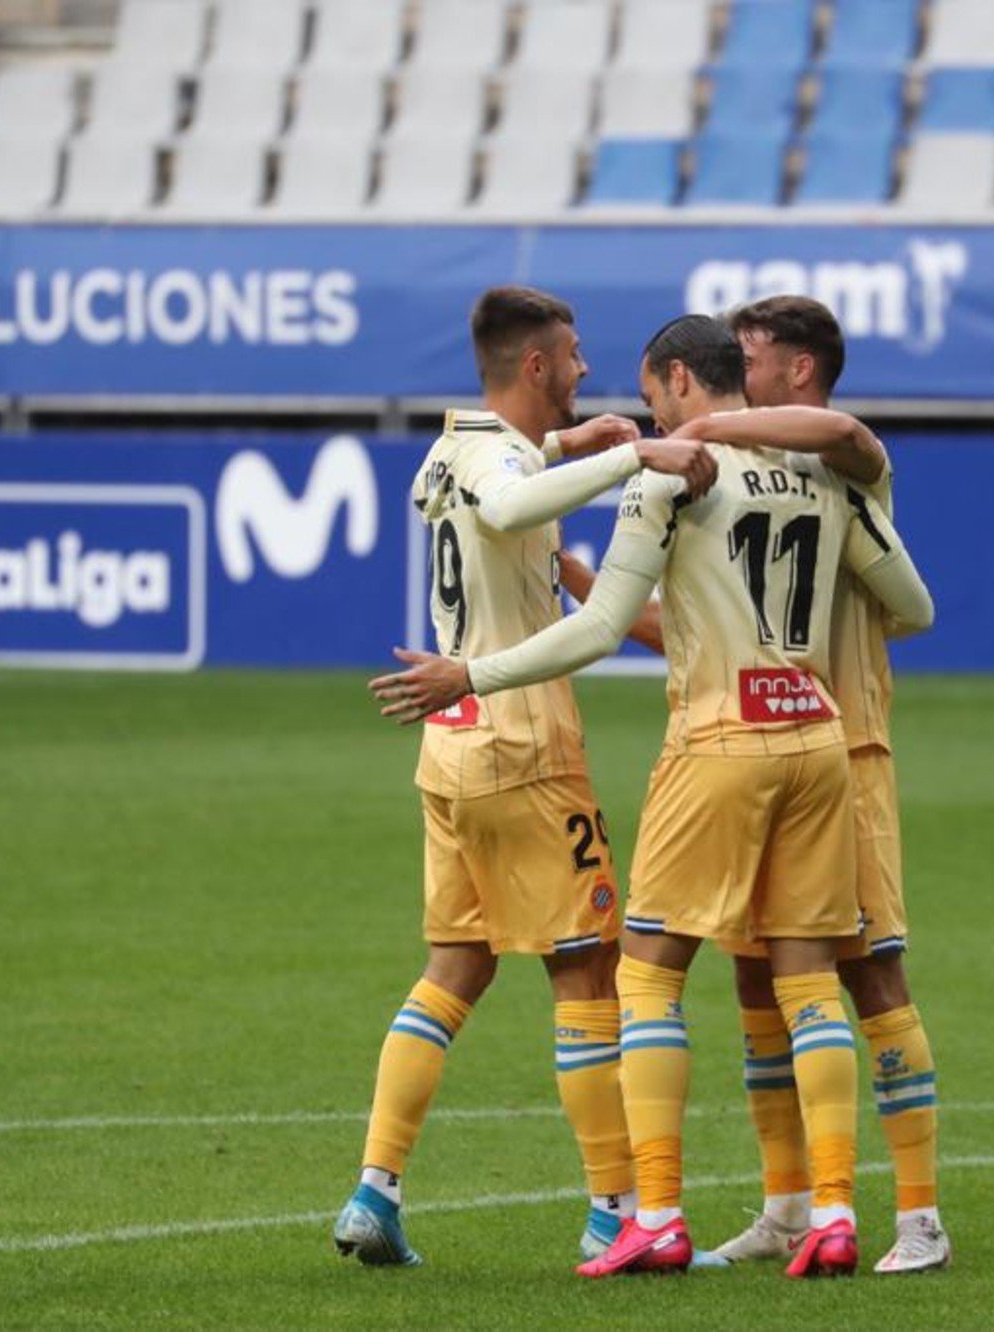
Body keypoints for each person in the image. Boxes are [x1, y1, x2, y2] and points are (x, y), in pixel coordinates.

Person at [375, 314, 935, 1280]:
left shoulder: (672, 474)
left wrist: (470, 675)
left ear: (678, 382)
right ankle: (836, 1211)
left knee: (644, 972)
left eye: (647, 395)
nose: (639, 413)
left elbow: (592, 634)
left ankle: (658, 1214)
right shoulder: (822, 472)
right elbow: (914, 605)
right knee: (806, 980)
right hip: (817, 739)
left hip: (717, 743)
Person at [333, 286, 717, 1270]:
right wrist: (632, 453)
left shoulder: (448, 445)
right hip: (523, 749)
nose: (586, 369)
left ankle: (374, 1188)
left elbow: (497, 481)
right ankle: (613, 1209)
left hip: (450, 751)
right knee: (587, 969)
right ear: (536, 365)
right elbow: (505, 501)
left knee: (454, 966)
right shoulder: (500, 466)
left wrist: (569, 448)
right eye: (574, 356)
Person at [582, 294, 949, 1273]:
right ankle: (790, 1205)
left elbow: (848, 449)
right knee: (760, 977)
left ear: (794, 368)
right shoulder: (771, 481)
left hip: (846, 749)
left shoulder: (843, 472)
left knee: (867, 975)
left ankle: (918, 1215)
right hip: (785, 742)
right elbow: (699, 631)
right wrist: (594, 593)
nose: (735, 373)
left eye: (750, 358)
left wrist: (691, 429)